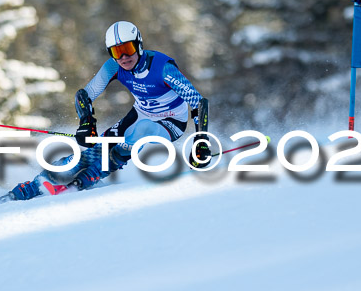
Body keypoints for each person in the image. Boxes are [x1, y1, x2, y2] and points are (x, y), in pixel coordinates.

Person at [11, 20, 211, 200]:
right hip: (140, 114)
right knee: (96, 150)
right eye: (116, 52)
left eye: (128, 48)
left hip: (172, 120)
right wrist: (86, 121)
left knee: (140, 131)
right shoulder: (113, 67)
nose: (123, 57)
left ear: (139, 44)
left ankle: (86, 179)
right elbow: (84, 95)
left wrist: (201, 141)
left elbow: (198, 102)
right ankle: (37, 185)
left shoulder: (162, 67)